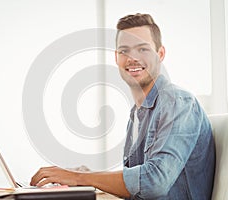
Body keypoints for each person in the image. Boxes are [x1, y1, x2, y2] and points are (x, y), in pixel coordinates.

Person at [30, 13, 216, 200]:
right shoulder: (136, 115)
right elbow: (136, 189)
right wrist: (86, 177)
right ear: (116, 58)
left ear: (160, 54)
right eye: (124, 51)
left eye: (142, 49)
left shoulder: (177, 103)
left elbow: (155, 182)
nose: (132, 58)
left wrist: (80, 178)